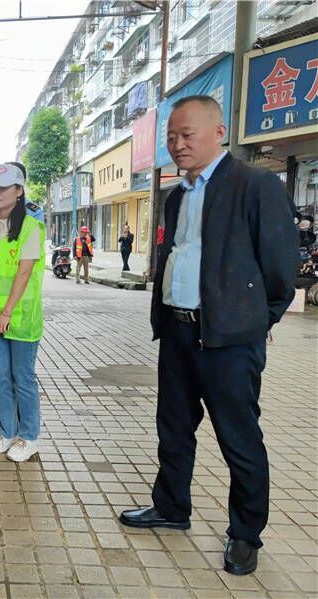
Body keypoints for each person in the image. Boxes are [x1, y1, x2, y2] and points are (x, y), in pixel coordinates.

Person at [119, 95, 298, 577]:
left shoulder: (254, 185)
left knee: (239, 439)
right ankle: (171, 506)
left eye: (187, 134)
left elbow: (281, 268)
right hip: (177, 333)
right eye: (171, 136)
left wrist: (255, 322)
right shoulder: (177, 196)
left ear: (219, 132)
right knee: (173, 429)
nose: (178, 144)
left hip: (228, 343)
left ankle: (245, 534)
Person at [0, 163, 45, 462]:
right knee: (2, 378)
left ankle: (29, 437)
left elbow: (24, 273)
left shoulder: (31, 228)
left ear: (18, 191)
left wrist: (5, 313)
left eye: (3, 188)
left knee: (22, 378)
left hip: (21, 317)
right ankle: (7, 432)